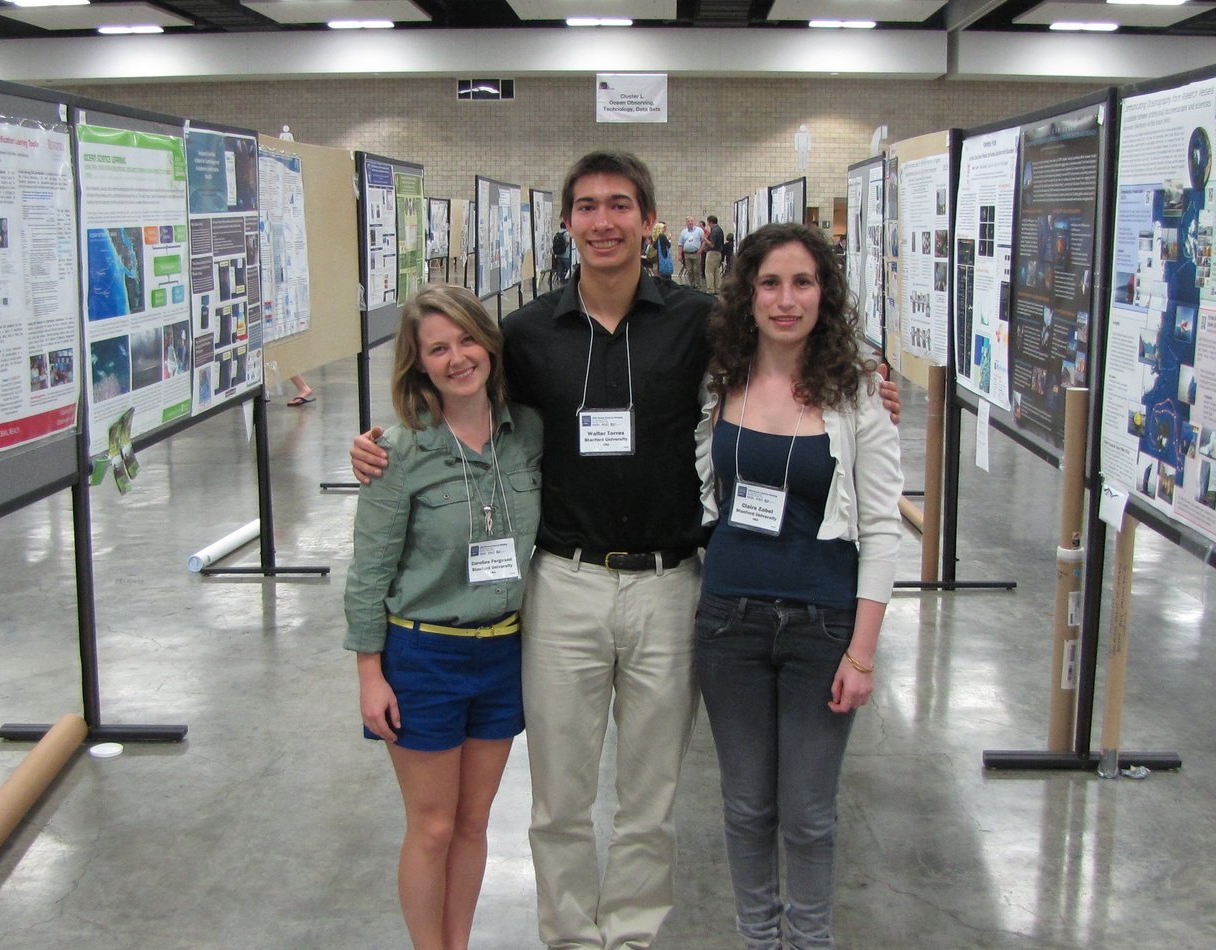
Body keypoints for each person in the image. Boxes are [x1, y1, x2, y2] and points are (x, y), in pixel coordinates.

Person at [353, 154, 899, 949]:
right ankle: (571, 938)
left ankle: (632, 936)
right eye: (587, 206)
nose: (603, 221)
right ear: (567, 222)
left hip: (670, 585)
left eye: (619, 205)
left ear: (648, 219)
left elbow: (789, 363)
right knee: (560, 800)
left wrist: (870, 391)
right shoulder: (526, 334)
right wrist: (383, 444)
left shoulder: (701, 322)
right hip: (562, 583)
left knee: (650, 799)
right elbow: (461, 399)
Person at [693, 221, 903, 949]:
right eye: (771, 283)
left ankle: (809, 941)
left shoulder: (859, 394)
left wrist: (862, 653)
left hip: (823, 628)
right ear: (748, 294)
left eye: (803, 283)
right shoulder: (719, 382)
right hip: (729, 624)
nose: (786, 300)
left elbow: (883, 527)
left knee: (809, 814)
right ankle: (759, 938)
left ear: (825, 293)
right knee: (747, 807)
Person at [342, 283, 543, 950]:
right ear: (419, 365)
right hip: (423, 657)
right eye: (438, 349)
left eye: (466, 339)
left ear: (489, 343)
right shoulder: (398, 452)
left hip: (502, 654)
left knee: (473, 826)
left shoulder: (528, 434)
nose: (457, 358)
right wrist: (370, 673)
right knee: (431, 827)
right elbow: (369, 571)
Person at [679, 215, 708, 291]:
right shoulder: (683, 232)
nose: (690, 222)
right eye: (688, 221)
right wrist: (679, 255)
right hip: (687, 254)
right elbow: (680, 244)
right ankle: (692, 285)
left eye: (691, 221)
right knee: (689, 271)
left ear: (693, 221)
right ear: (686, 223)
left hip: (696, 253)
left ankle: (698, 285)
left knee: (696, 270)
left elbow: (704, 241)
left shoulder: (699, 230)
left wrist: (700, 250)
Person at [703, 215, 726, 292]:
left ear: (711, 222)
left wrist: (705, 239)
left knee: (709, 271)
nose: (708, 225)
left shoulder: (714, 231)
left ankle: (710, 289)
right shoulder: (720, 230)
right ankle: (717, 288)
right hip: (718, 253)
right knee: (716, 271)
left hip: (712, 253)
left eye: (708, 223)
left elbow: (712, 244)